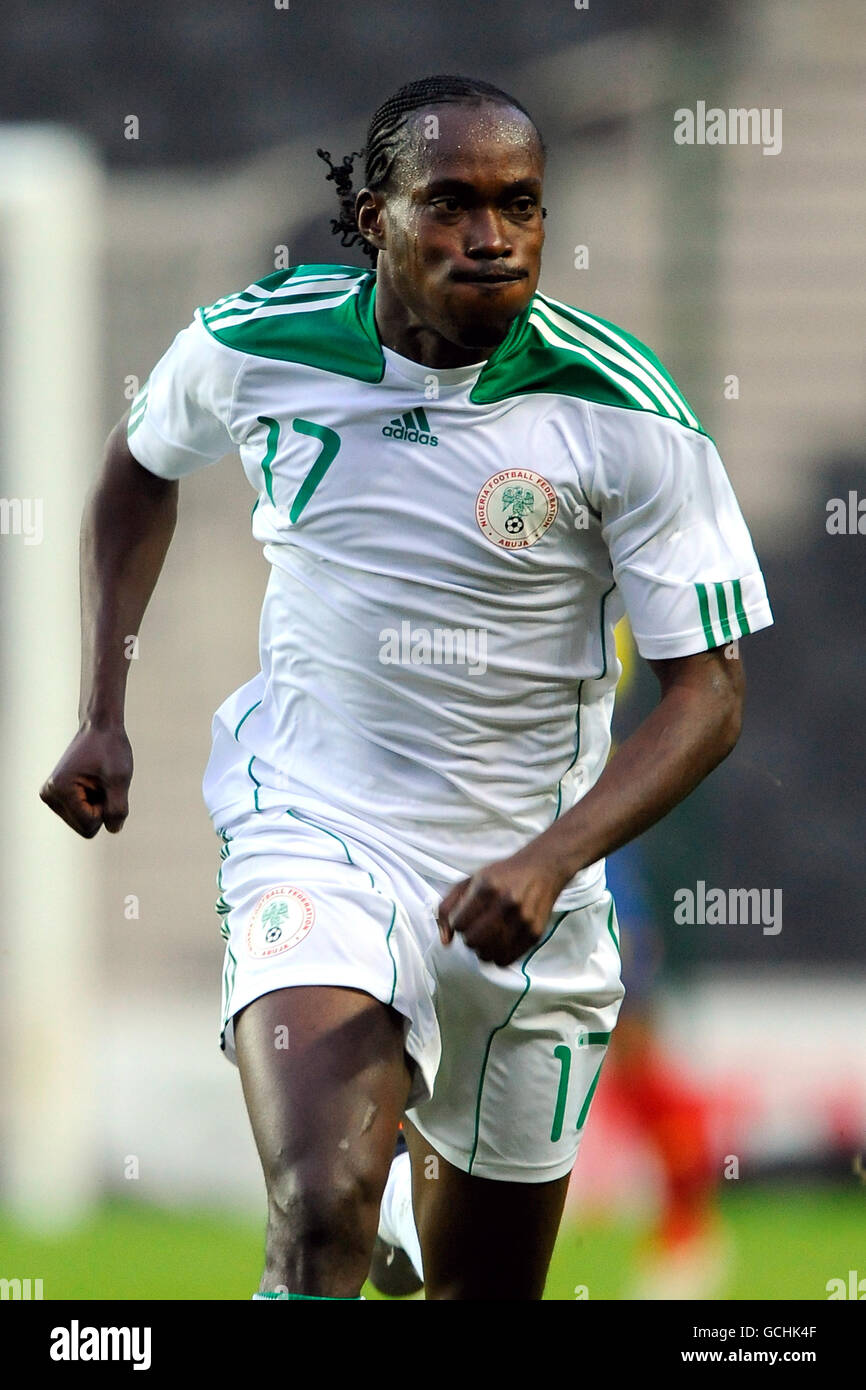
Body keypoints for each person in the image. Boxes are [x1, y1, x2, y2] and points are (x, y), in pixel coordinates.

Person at [40, 73, 773, 1301]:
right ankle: (346, 1212)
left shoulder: (628, 411)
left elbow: (710, 696)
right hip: (316, 831)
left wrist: (549, 859)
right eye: (449, 205)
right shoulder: (252, 343)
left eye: (519, 206)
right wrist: (102, 709)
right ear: (372, 215)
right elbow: (136, 472)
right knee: (321, 1204)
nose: (490, 238)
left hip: (531, 888)